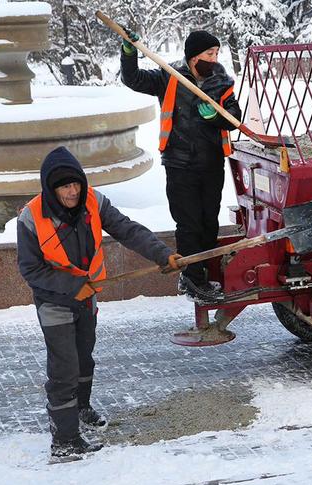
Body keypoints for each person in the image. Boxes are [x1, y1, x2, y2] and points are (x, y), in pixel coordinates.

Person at [17, 146, 182, 462]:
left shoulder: (94, 201)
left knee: (83, 358)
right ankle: (64, 441)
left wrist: (162, 254)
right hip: (54, 302)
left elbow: (127, 229)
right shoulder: (31, 218)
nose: (73, 191)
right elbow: (30, 269)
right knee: (63, 369)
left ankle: (81, 408)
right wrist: (72, 287)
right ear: (50, 189)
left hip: (87, 297)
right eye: (65, 186)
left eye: (76, 183)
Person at [120, 29, 242, 299]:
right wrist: (129, 54)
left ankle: (204, 274)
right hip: (179, 164)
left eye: (216, 53)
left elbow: (234, 116)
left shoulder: (221, 81)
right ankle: (192, 278)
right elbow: (133, 79)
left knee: (209, 222)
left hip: (211, 163)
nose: (214, 57)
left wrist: (215, 117)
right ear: (194, 56)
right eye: (209, 53)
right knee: (188, 224)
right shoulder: (169, 76)